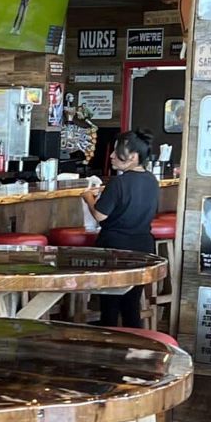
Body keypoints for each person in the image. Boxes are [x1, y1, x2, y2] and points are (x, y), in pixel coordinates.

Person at [82, 131, 161, 328]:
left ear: (133, 157)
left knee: (109, 305)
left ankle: (108, 349)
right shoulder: (152, 180)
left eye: (118, 152)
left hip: (114, 249)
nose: (111, 156)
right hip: (143, 248)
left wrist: (88, 197)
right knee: (131, 304)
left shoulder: (119, 182)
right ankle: (134, 349)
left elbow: (100, 215)